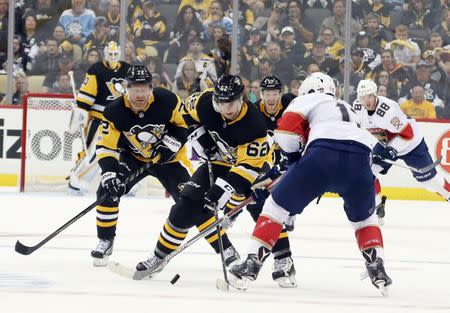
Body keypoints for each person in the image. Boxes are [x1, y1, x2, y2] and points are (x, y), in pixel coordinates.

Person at [229, 73, 393, 296]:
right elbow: (378, 146)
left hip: (321, 158)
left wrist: (294, 156)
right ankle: (378, 268)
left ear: (308, 89)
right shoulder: (350, 107)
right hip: (359, 163)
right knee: (365, 220)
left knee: (275, 209)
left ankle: (251, 265)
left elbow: (286, 132)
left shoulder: (307, 99)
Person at [133, 74, 273, 277]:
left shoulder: (254, 124)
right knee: (184, 207)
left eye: (232, 102)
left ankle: (281, 256)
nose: (227, 109)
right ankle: (159, 256)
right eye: (222, 103)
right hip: (217, 162)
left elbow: (249, 167)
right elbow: (185, 113)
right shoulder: (205, 102)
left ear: (241, 98)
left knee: (253, 209)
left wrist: (222, 189)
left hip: (249, 171)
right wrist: (198, 133)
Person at [90, 65, 193, 266]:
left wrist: (169, 145)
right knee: (106, 190)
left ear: (151, 87)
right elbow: (106, 146)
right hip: (133, 158)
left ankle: (219, 246)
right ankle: (105, 239)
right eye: (135, 89)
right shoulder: (114, 111)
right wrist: (109, 173)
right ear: (126, 88)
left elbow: (186, 123)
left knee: (189, 202)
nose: (140, 94)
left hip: (168, 159)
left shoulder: (167, 99)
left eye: (144, 88)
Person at [355, 79, 450, 216]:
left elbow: (408, 134)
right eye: (363, 97)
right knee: (368, 171)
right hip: (386, 142)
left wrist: (391, 151)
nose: (367, 100)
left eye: (369, 96)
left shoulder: (388, 111)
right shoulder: (358, 107)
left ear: (375, 94)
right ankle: (376, 205)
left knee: (429, 183)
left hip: (412, 145)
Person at [246, 75, 297, 287]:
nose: (270, 97)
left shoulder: (291, 107)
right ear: (261, 94)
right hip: (266, 165)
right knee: (259, 205)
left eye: (274, 93)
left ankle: (283, 257)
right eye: (266, 93)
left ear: (280, 93)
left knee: (275, 208)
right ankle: (284, 259)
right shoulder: (253, 111)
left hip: (291, 163)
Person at [68, 41, 131, 195]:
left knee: (127, 153)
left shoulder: (128, 70)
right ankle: (77, 180)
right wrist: (81, 111)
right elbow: (86, 96)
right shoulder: (96, 69)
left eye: (116, 54)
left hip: (124, 121)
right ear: (105, 53)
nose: (113, 57)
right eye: (110, 54)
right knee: (95, 153)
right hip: (100, 120)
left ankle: (128, 182)